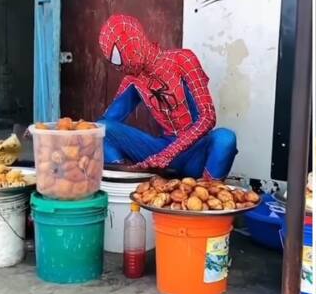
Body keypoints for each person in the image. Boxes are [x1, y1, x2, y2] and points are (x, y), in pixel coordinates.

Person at [96, 14, 238, 179]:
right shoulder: (133, 80)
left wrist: (168, 154)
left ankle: (206, 194)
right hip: (161, 150)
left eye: (117, 57)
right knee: (101, 129)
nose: (118, 66)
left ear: (134, 42)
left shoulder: (182, 59)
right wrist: (76, 137)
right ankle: (127, 184)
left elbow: (208, 117)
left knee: (225, 138)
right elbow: (105, 124)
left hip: (195, 153)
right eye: (113, 61)